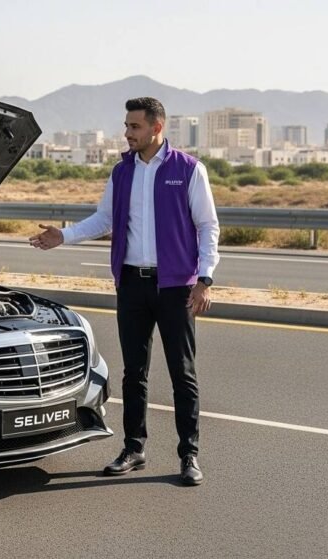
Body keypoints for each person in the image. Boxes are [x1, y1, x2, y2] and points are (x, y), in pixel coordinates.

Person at [28, 97, 219, 486]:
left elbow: (208, 227)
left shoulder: (188, 170)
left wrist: (204, 279)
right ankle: (134, 448)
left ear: (156, 128)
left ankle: (189, 455)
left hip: (176, 286)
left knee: (182, 373)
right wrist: (62, 235)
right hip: (132, 283)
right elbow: (103, 219)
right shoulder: (122, 172)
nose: (127, 132)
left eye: (134, 126)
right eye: (127, 126)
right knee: (134, 372)